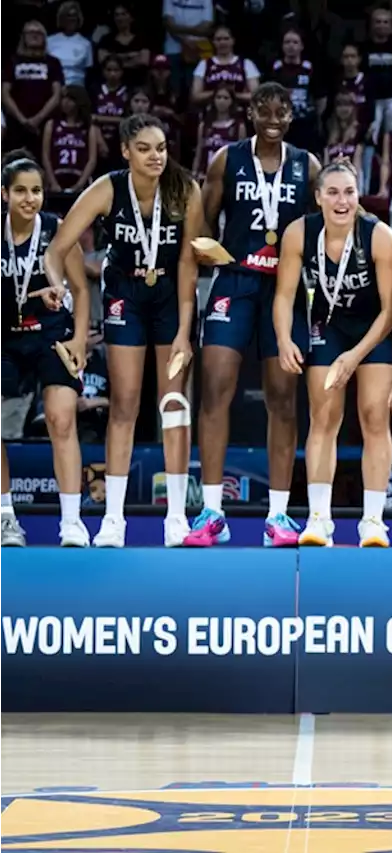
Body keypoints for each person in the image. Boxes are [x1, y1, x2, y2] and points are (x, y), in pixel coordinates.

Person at [43, 112, 202, 548]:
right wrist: (59, 287)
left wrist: (186, 331)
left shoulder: (185, 188)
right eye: (146, 148)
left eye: (162, 148)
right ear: (126, 151)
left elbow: (189, 264)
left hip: (171, 296)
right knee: (125, 405)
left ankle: (175, 518)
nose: (156, 156)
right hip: (124, 296)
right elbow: (57, 249)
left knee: (173, 404)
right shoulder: (107, 188)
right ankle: (113, 519)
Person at [186, 81, 322, 548]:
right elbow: (203, 220)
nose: (272, 116)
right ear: (251, 114)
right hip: (236, 280)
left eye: (280, 110)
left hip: (284, 291)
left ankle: (279, 516)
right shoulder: (227, 158)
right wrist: (207, 252)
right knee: (215, 388)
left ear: (290, 116)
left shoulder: (307, 164)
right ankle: (211, 512)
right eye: (263, 109)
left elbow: (321, 227)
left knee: (283, 398)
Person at [273, 161, 392, 547]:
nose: (341, 201)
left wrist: (356, 355)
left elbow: (391, 310)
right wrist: (283, 338)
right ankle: (319, 518)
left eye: (348, 192)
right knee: (323, 416)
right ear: (318, 197)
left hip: (374, 329)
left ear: (358, 196)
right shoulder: (299, 233)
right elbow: (283, 295)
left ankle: (374, 521)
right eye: (332, 192)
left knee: (374, 417)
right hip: (328, 325)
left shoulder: (379, 237)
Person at [0, 152, 92, 547]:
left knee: (61, 418)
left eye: (36, 190)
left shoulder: (57, 230)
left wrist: (79, 339)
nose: (29, 198)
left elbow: (83, 289)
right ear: (4, 194)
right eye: (20, 190)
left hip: (52, 333)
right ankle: (6, 519)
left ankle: (71, 522)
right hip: (5, 336)